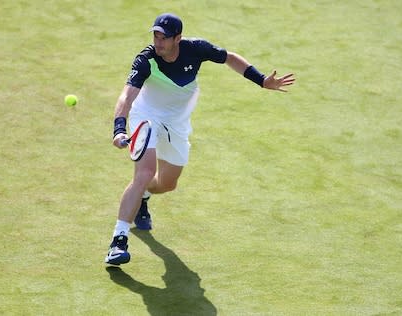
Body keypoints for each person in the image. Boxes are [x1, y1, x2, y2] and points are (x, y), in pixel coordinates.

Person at [105, 13, 295, 265]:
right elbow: (127, 96)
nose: (158, 42)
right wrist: (119, 128)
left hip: (178, 122)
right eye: (155, 36)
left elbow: (229, 58)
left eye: (164, 38)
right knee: (143, 173)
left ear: (178, 39)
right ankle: (118, 242)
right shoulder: (146, 59)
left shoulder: (196, 49)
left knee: (166, 184)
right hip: (147, 116)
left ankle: (144, 198)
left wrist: (261, 80)